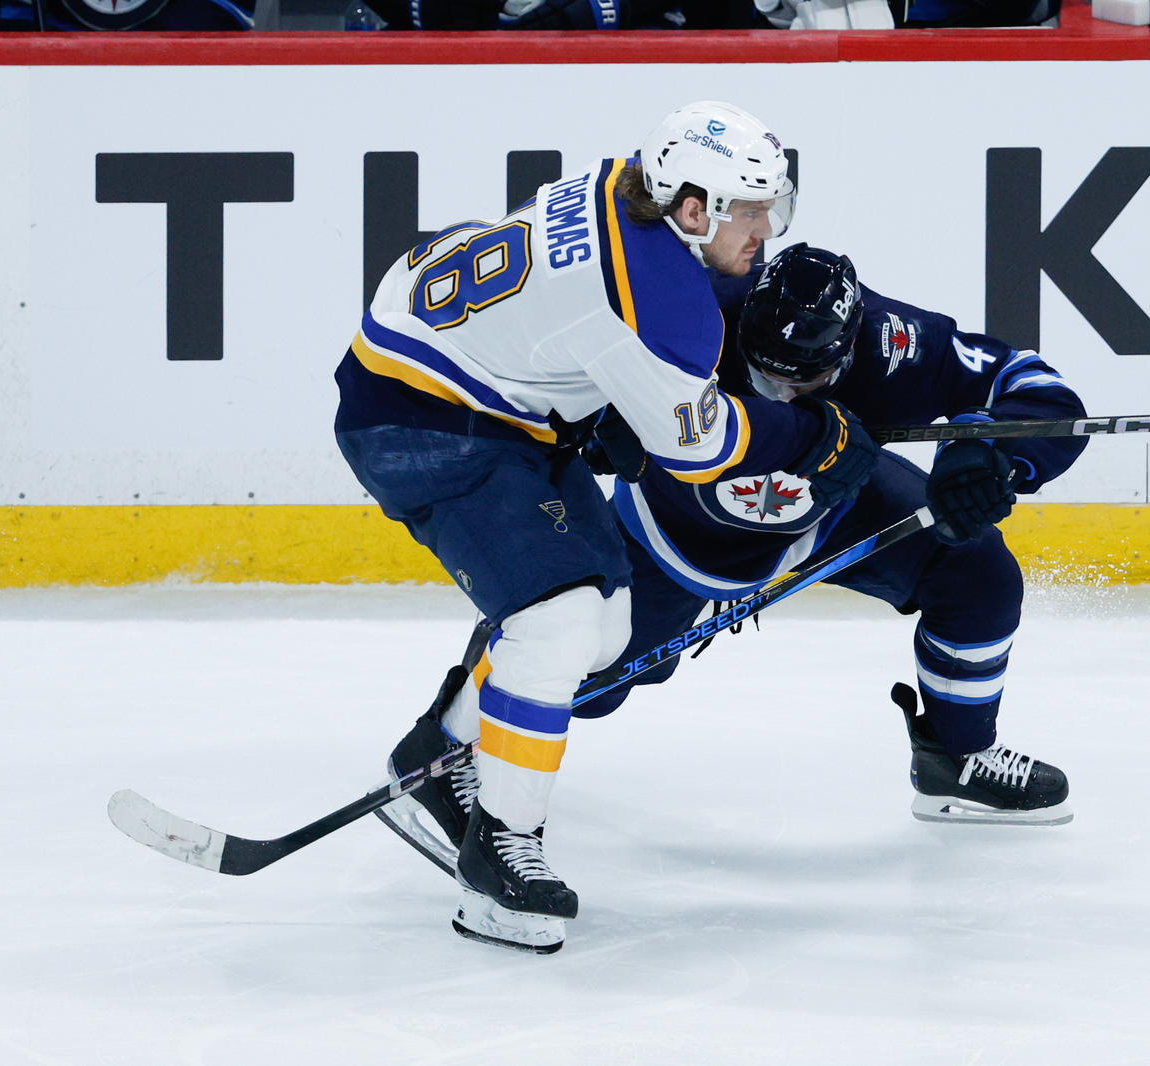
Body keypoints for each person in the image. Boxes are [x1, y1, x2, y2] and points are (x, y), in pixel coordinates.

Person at [336, 103, 879, 954]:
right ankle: (499, 852)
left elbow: (564, 308)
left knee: (606, 629)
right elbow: (698, 450)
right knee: (553, 623)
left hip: (483, 390)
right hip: (422, 418)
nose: (766, 230)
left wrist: (595, 395)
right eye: (750, 210)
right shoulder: (668, 304)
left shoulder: (623, 183)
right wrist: (811, 434)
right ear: (693, 209)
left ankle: (433, 762)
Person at [580, 243, 1088, 826]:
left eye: (808, 380)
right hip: (675, 528)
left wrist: (987, 450)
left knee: (976, 571)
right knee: (576, 662)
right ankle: (487, 737)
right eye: (767, 376)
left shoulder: (894, 343)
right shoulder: (694, 312)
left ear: (847, 352)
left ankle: (956, 756)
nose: (785, 395)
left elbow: (1032, 384)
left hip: (834, 505)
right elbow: (556, 354)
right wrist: (596, 417)